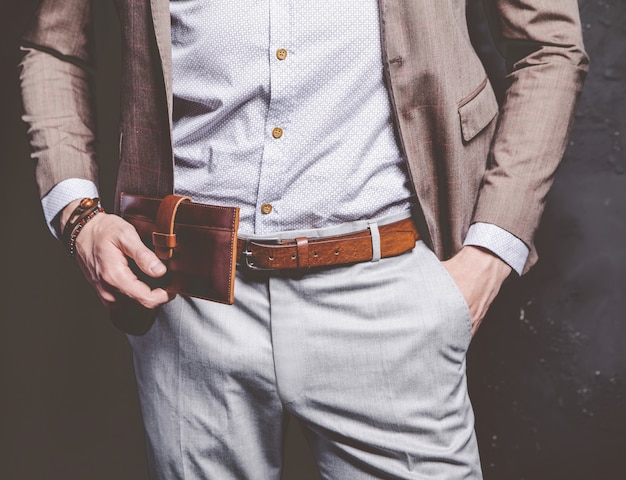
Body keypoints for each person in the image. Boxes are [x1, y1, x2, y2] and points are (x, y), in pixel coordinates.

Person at [19, 0, 588, 478]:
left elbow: (551, 46)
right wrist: (80, 216)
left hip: (389, 293)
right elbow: (52, 48)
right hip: (183, 299)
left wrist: (489, 254)